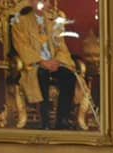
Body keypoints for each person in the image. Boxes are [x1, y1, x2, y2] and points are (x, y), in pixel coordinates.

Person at [10, 0, 78, 129]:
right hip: (34, 64)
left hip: (54, 63)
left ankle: (62, 120)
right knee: (41, 75)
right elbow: (22, 46)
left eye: (45, 0)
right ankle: (44, 121)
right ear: (31, 2)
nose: (42, 3)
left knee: (69, 76)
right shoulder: (20, 22)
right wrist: (41, 61)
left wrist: (57, 60)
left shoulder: (54, 22)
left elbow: (61, 46)